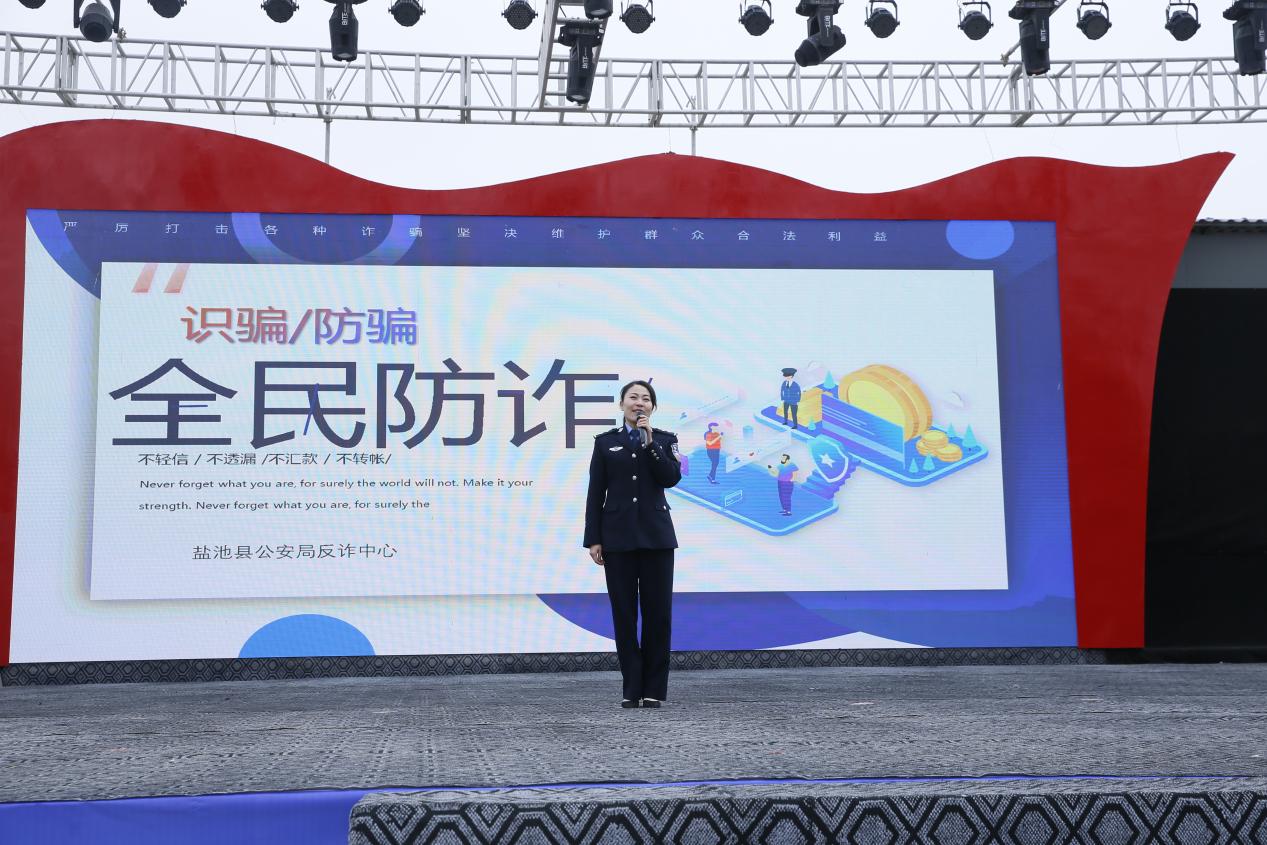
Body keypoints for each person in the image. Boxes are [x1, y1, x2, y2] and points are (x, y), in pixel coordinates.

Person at [584, 380, 682, 709]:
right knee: (624, 615)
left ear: (652, 407)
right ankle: (631, 687)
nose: (639, 403)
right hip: (617, 538)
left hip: (657, 538)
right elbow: (595, 493)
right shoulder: (605, 443)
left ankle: (653, 688)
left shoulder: (665, 440)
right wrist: (594, 538)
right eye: (633, 397)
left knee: (658, 615)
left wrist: (651, 444)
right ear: (621, 403)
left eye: (646, 399)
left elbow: (670, 478)